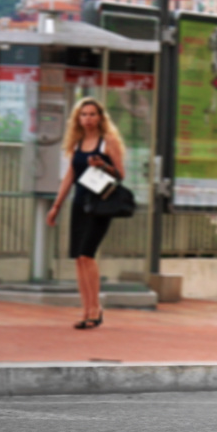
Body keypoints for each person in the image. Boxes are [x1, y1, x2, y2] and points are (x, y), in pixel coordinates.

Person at [47, 98, 126, 330]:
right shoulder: (77, 143)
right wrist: (56, 207)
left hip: (100, 203)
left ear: (100, 117)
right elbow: (70, 177)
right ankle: (86, 310)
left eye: (92, 114)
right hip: (80, 203)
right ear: (78, 119)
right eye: (84, 115)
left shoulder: (107, 142)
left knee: (87, 254)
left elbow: (120, 174)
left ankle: (95, 309)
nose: (88, 118)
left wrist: (103, 165)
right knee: (79, 258)